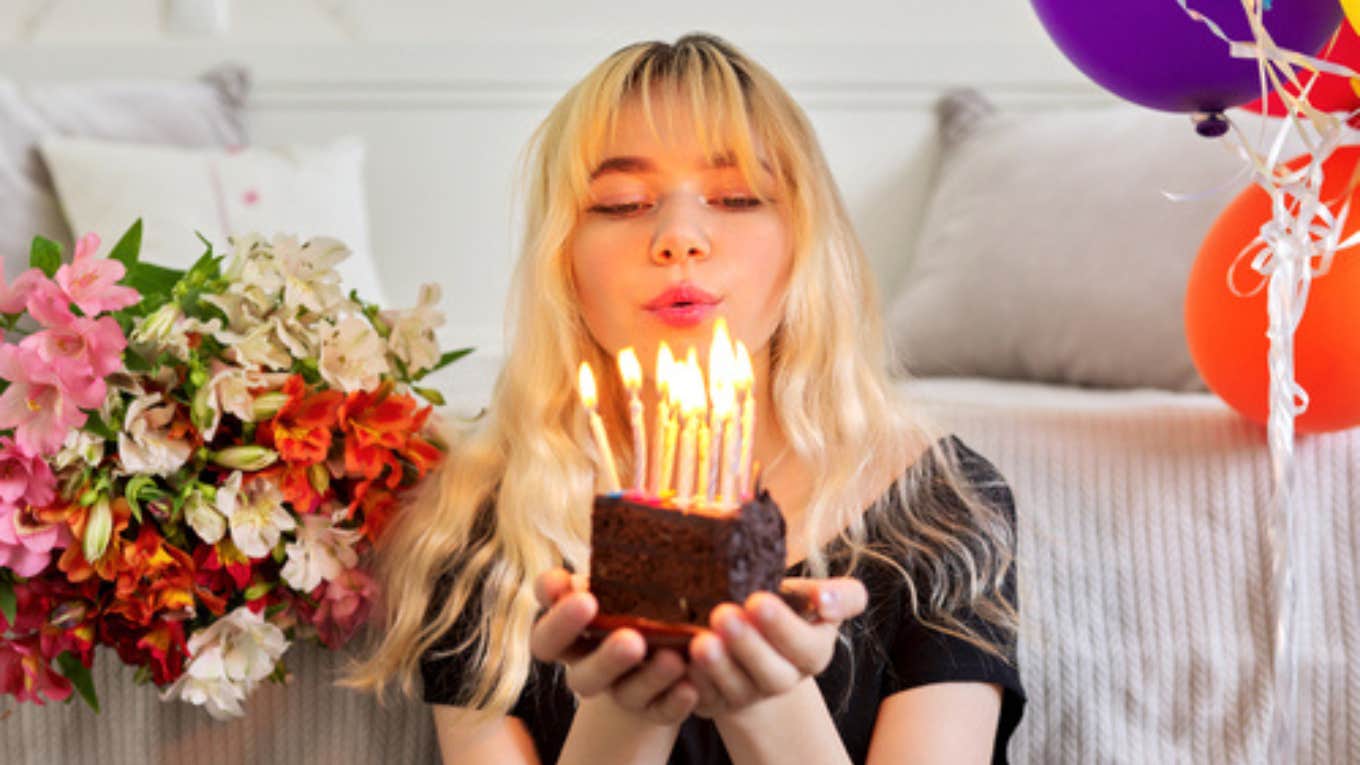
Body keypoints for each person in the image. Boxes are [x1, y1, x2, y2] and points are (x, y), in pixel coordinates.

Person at [343, 32, 1025, 764]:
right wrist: (628, 708)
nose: (678, 237)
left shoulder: (937, 504)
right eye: (622, 202)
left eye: (735, 196)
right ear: (562, 258)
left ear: (804, 240)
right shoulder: (488, 525)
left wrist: (764, 697)